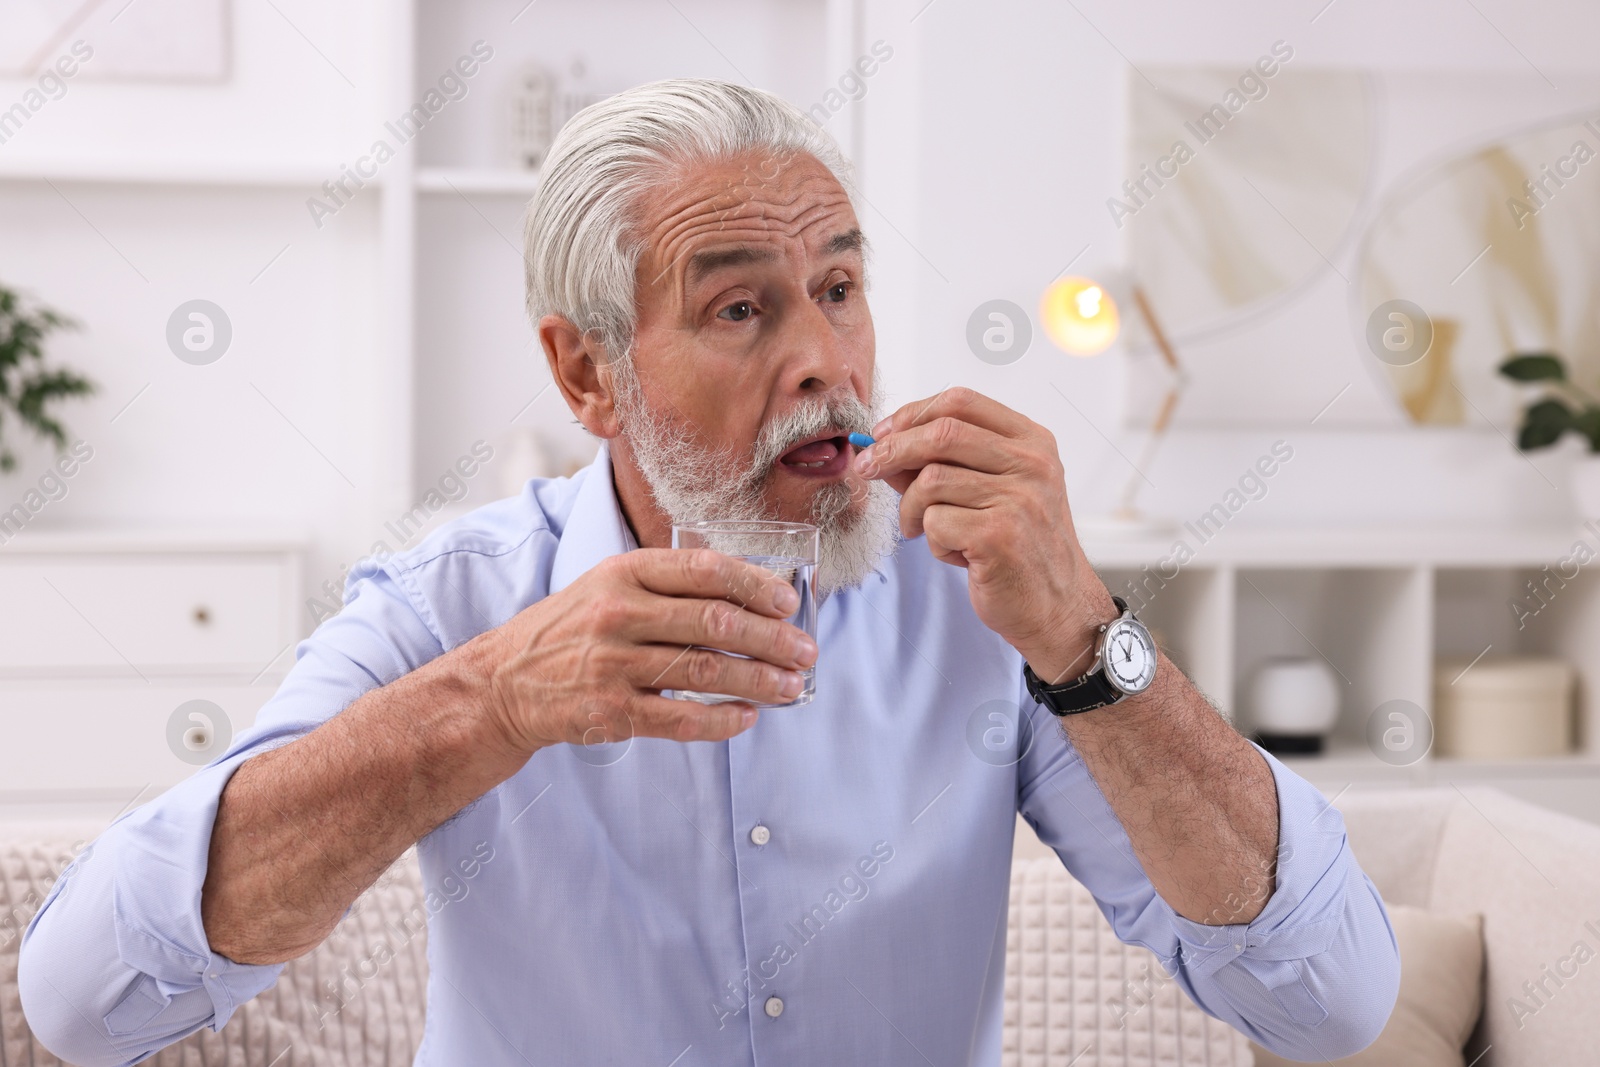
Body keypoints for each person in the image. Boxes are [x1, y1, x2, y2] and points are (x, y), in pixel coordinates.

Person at [19, 78, 1398, 1066]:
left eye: (842, 290)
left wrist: (1091, 642)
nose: (826, 362)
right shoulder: (460, 607)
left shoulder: (981, 607)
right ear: (588, 372)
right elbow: (87, 1005)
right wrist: (493, 706)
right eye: (741, 307)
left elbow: (1327, 1004)